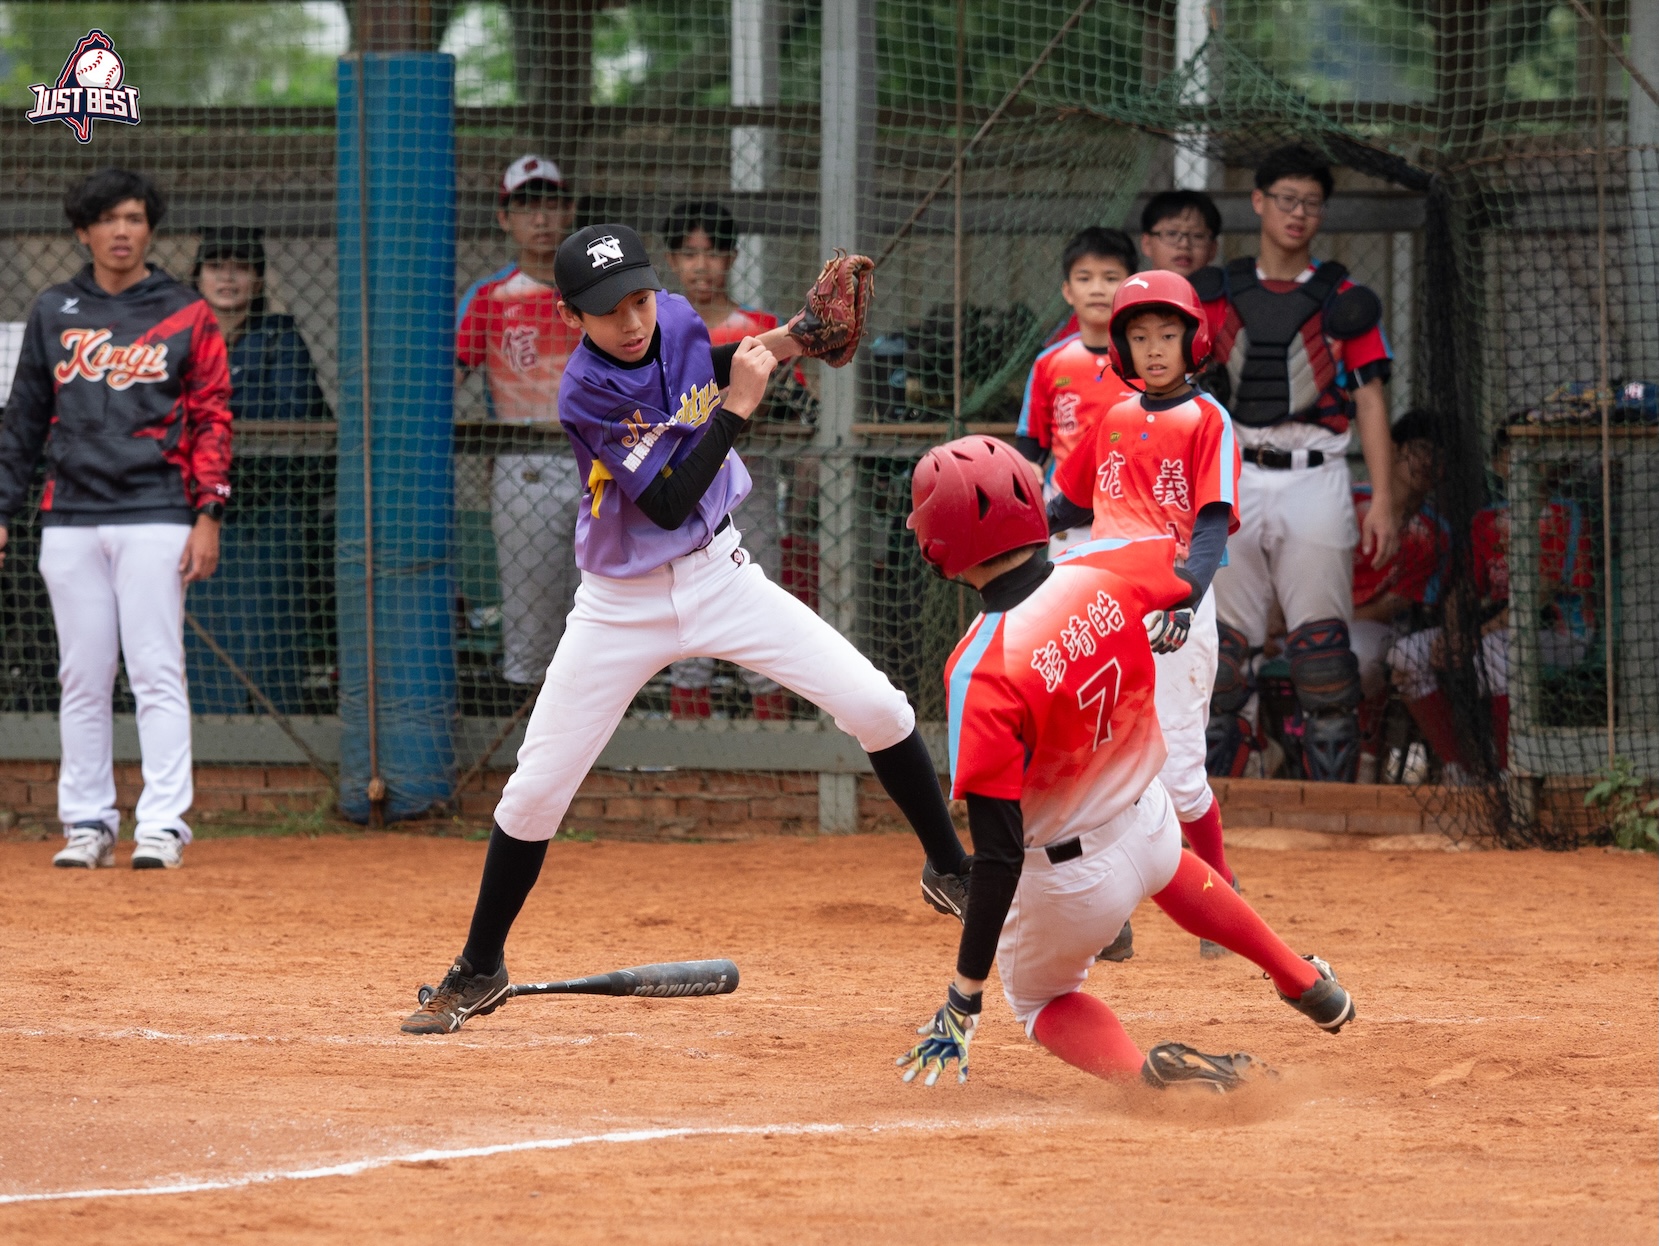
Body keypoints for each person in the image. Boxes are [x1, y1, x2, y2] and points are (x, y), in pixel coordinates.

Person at [401, 225, 972, 1034]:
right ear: (572, 318)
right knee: (534, 794)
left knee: (879, 707)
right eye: (606, 311)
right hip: (619, 605)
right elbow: (665, 498)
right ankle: (481, 965)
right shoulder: (584, 391)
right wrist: (741, 407)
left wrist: (794, 340)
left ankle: (949, 869)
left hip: (721, 574)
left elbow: (702, 364)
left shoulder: (671, 316)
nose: (630, 321)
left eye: (636, 298)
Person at [896, 436, 1353, 1091]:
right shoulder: (1098, 568)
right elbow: (1191, 566)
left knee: (1041, 1003)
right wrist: (1190, 568)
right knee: (1171, 868)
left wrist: (964, 993)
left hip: (1067, 882)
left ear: (937, 547)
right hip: (1148, 819)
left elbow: (996, 853)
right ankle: (1302, 979)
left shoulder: (979, 665)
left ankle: (1149, 1078)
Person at [0, 168, 231, 870]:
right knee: (84, 674)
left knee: (157, 671)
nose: (122, 230)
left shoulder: (187, 311)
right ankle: (87, 822)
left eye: (134, 218)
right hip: (68, 516)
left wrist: (207, 513)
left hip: (158, 513)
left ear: (149, 228)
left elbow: (214, 416)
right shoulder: (54, 309)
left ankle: (162, 824)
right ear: (83, 231)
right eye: (107, 219)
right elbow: (24, 419)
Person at [1047, 271, 1242, 961]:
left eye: (1167, 334)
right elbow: (1066, 507)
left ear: (1194, 341)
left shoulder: (1206, 418)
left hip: (1172, 604)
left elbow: (1213, 522)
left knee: (1178, 767)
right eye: (1138, 337)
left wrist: (1185, 599)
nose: (1153, 348)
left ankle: (1220, 885)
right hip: (1106, 606)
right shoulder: (1113, 419)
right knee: (1099, 759)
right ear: (1121, 349)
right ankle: (1110, 910)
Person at [1196, 144, 1399, 784]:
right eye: (1286, 199)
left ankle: (1331, 815)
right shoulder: (1217, 292)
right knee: (1224, 655)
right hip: (1232, 473)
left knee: (1321, 651)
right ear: (1258, 202)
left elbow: (1371, 402)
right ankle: (1215, 806)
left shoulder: (1345, 300)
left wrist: (1385, 500)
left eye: (1312, 203)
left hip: (1317, 473)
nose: (1298, 213)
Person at [1389, 426, 1594, 777]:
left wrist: (1477, 634)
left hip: (1562, 634)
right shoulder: (1486, 520)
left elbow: (1540, 593)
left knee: (1500, 648)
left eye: (1538, 452)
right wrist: (1453, 631)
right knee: (1405, 655)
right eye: (1513, 453)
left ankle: (1506, 771)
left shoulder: (1567, 513)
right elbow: (1466, 587)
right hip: (1489, 634)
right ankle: (1460, 768)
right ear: (1498, 464)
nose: (1527, 462)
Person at [185, 226, 332, 715]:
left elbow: (297, 416)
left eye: (241, 266)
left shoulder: (279, 335)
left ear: (257, 279)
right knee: (200, 640)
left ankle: (274, 732)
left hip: (268, 507)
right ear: (198, 276)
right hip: (192, 512)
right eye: (216, 265)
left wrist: (215, 426)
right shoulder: (179, 342)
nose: (228, 276)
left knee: (269, 632)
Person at [456, 155, 585, 696]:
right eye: (527, 206)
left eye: (552, 203)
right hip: (522, 465)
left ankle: (608, 741)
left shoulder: (597, 289)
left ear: (570, 211)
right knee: (530, 612)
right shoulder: (489, 297)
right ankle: (531, 746)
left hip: (601, 460)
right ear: (504, 217)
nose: (541, 218)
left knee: (605, 609)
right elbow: (450, 375)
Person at [659, 200, 790, 720]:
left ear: (733, 258)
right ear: (672, 260)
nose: (701, 265)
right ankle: (688, 745)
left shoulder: (759, 326)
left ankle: (773, 745)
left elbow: (797, 407)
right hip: (677, 486)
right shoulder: (657, 329)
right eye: (688, 253)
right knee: (681, 618)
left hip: (746, 480)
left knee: (760, 607)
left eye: (713, 253)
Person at [1014, 227, 1138, 552]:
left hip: (1137, 523)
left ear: (1130, 286)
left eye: (1111, 278)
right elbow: (1031, 445)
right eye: (1085, 278)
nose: (1097, 289)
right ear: (1067, 291)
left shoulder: (1151, 363)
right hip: (1067, 527)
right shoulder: (1049, 363)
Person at [1348, 411, 1448, 779]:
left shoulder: (1435, 532)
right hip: (1308, 613)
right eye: (1419, 450)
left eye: (1437, 458)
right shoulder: (1346, 501)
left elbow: (1396, 606)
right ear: (1393, 449)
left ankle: (1365, 763)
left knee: (1355, 658)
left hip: (1372, 628)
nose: (1426, 464)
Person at [1138, 188, 1222, 279]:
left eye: (1197, 236)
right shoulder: (1132, 291)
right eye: (1172, 234)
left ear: (1213, 248)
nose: (1184, 244)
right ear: (1147, 244)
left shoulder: (1227, 293)